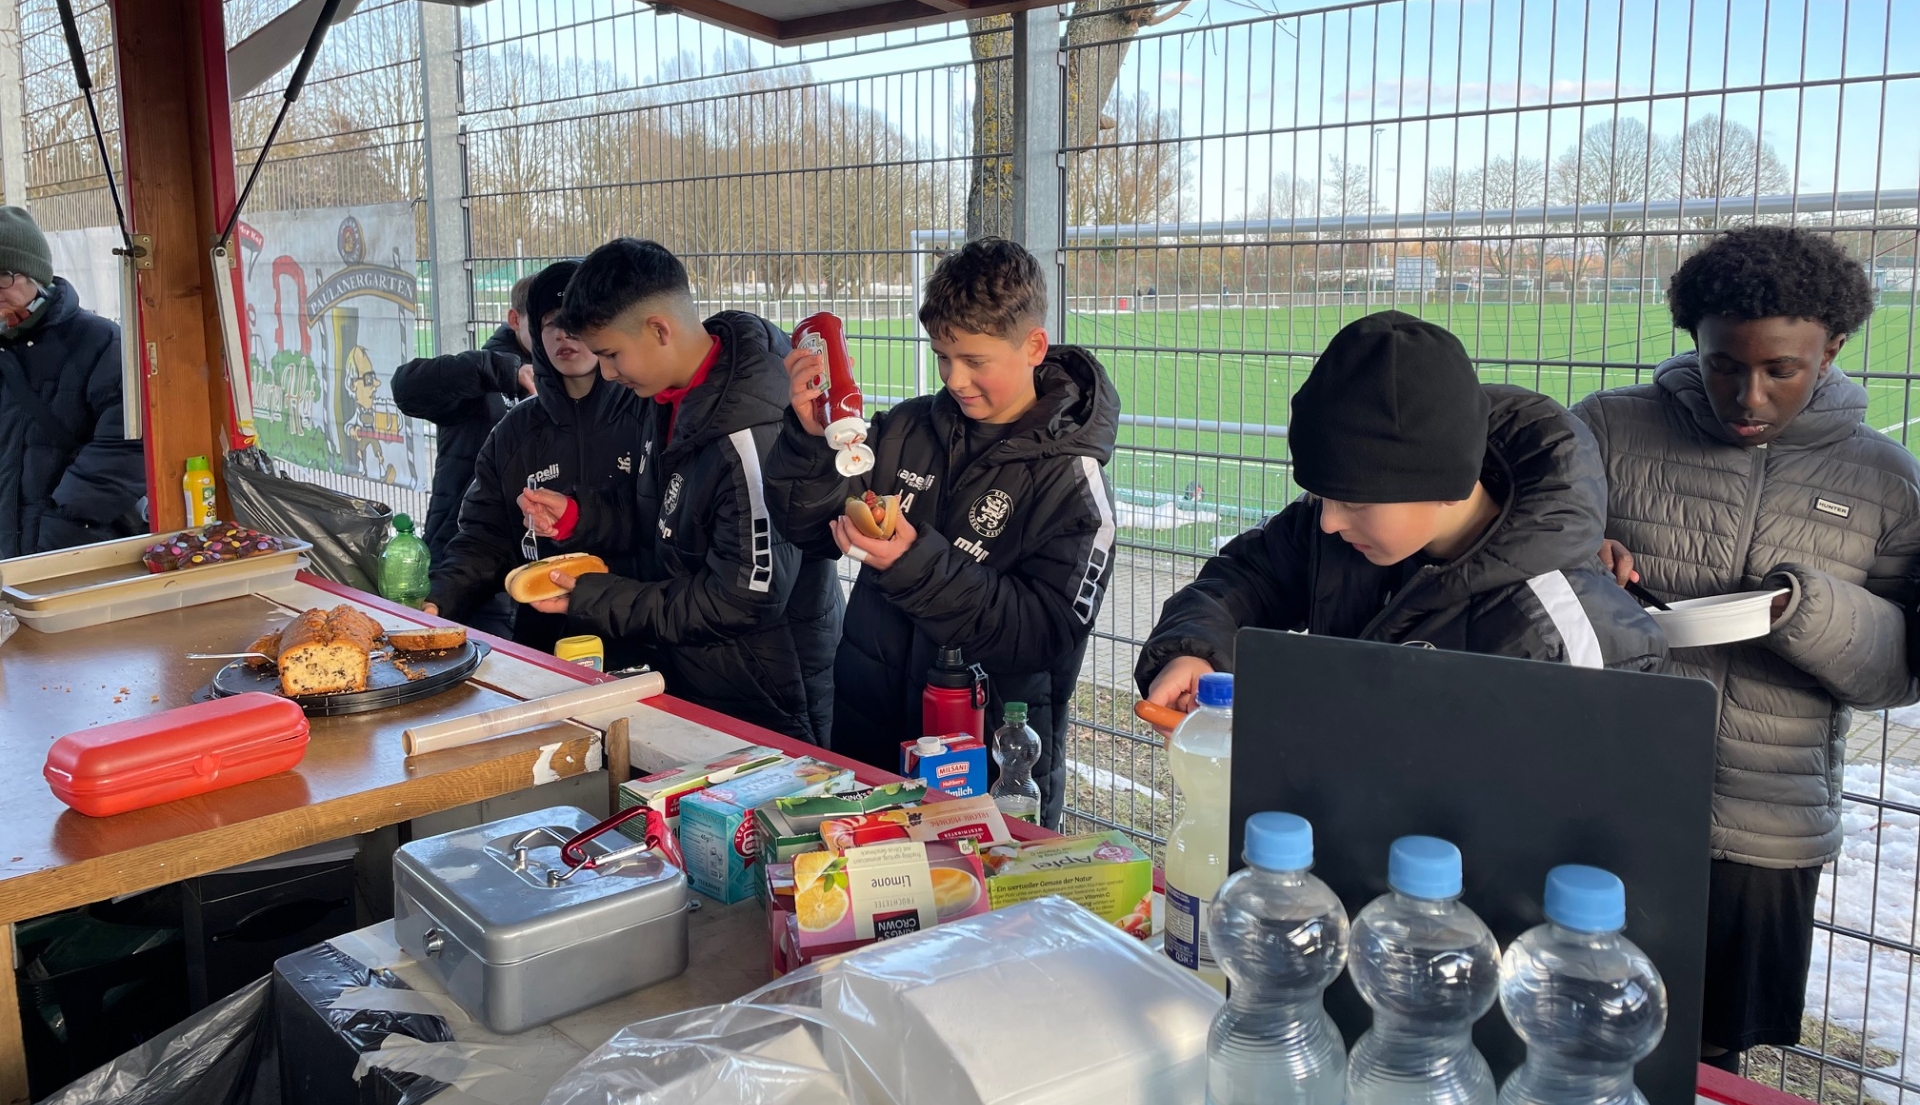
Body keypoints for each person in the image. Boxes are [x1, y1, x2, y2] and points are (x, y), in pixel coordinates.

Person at [1574, 226, 1920, 1071]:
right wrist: (1580, 559)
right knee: (1572, 1026)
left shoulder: (1887, 481)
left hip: (1765, 831)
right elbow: (1522, 563)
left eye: (1781, 371)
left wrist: (1808, 611)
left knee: (1708, 1062)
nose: (1748, 396)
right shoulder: (1607, 428)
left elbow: (1897, 674)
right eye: (1724, 365)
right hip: (1602, 797)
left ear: (1832, 350)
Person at [1137, 310, 1666, 714]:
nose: (1328, 521)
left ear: (1446, 485)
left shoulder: (1565, 635)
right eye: (1322, 495)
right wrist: (1195, 651)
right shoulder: (1334, 532)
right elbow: (1244, 578)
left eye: (1353, 502)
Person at [764, 239, 1121, 827]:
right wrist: (808, 440)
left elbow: (1044, 632)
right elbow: (809, 528)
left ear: (1034, 347)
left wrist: (914, 563)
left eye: (975, 360)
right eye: (942, 356)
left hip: (990, 768)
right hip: (870, 738)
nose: (955, 379)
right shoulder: (907, 428)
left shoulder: (1071, 481)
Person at [518, 239, 840, 744]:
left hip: (766, 696)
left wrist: (597, 597)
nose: (607, 373)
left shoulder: (749, 435)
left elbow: (742, 600)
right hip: (700, 673)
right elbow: (670, 515)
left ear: (659, 330)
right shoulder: (669, 395)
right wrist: (580, 517)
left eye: (611, 355)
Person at [424, 260, 645, 655]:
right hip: (543, 642)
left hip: (643, 636)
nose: (564, 333)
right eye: (550, 322)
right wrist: (439, 600)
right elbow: (484, 538)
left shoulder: (648, 412)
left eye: (576, 321)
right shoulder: (515, 431)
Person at [0, 205, 144, 557]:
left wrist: (62, 520)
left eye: (3, 275)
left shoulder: (103, 342)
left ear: (36, 274)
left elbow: (129, 445)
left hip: (74, 551)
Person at [392, 275, 535, 563]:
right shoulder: (481, 375)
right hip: (463, 556)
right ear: (515, 320)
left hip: (533, 555)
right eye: (547, 321)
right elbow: (405, 388)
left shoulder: (583, 377)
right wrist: (504, 371)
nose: (561, 334)